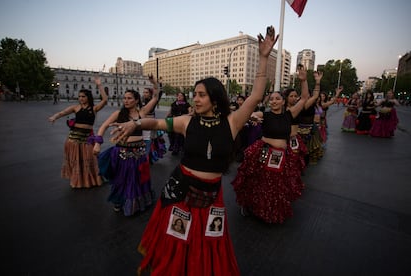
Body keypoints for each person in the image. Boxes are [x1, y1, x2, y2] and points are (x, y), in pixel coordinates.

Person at [110, 26, 278, 276]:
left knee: (209, 244)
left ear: (214, 98)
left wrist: (263, 59)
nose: (195, 99)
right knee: (177, 243)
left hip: (212, 199)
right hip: (181, 192)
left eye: (201, 95)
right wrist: (133, 123)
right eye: (194, 95)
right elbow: (155, 123)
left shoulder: (231, 122)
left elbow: (256, 95)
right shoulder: (186, 121)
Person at [232, 64, 309, 224]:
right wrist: (252, 117)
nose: (274, 101)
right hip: (264, 152)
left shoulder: (289, 114)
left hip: (282, 157)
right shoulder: (264, 115)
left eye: (277, 99)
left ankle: (271, 211)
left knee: (276, 187)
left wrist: (304, 81)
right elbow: (249, 114)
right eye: (272, 99)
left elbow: (304, 98)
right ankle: (250, 205)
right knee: (259, 183)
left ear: (283, 101)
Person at [93, 75, 159, 216]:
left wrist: (154, 83)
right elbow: (103, 127)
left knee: (139, 179)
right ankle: (120, 201)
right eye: (124, 98)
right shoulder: (119, 113)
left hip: (140, 153)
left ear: (136, 100)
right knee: (122, 179)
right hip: (122, 153)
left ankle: (136, 204)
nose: (126, 101)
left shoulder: (142, 113)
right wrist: (98, 143)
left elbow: (155, 98)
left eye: (129, 98)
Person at [48, 76, 107, 188]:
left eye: (83, 96)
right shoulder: (75, 107)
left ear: (88, 97)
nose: (81, 98)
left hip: (87, 138)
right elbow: (62, 113)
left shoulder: (94, 109)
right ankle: (79, 181)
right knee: (77, 161)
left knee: (89, 160)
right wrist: (54, 117)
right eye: (79, 96)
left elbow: (105, 100)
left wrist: (99, 85)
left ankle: (90, 180)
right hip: (74, 138)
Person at [296, 71, 323, 166]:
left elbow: (316, 95)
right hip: (298, 131)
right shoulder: (298, 102)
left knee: (306, 151)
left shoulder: (310, 103)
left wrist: (318, 82)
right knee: (299, 152)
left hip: (309, 129)